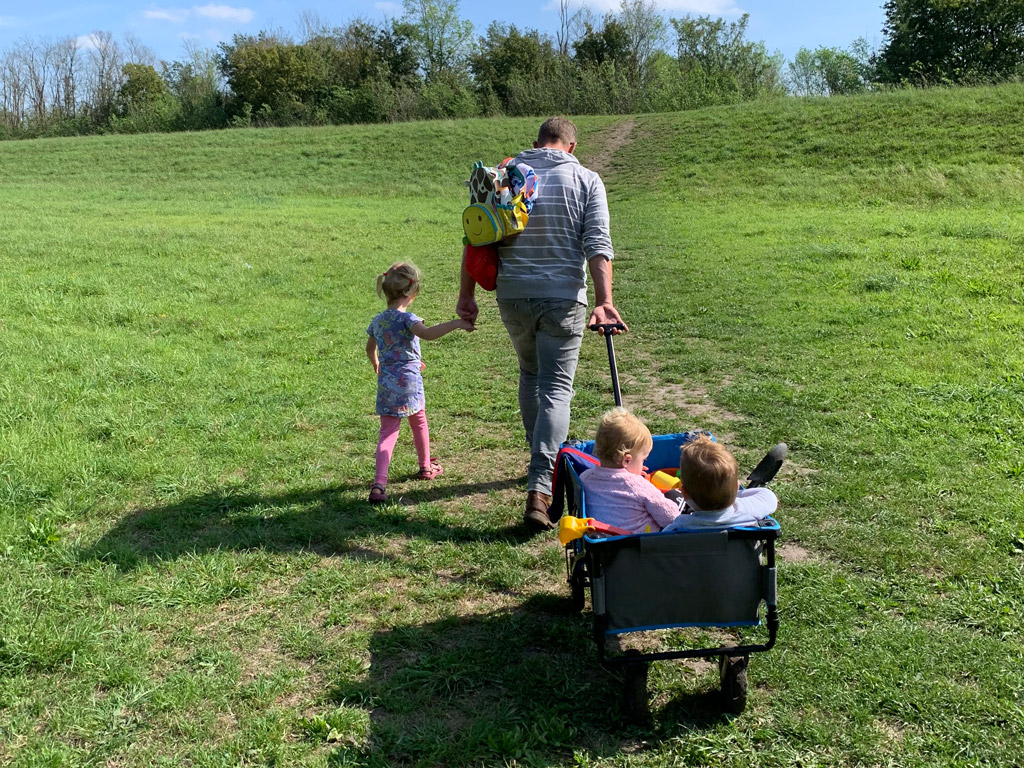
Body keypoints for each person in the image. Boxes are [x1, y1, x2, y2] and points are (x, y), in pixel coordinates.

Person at [456, 116, 626, 531]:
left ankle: (541, 465)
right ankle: (541, 487)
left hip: (513, 296)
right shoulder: (586, 179)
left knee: (530, 375)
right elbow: (598, 244)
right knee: (556, 387)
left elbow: (475, 236)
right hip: (562, 296)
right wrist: (604, 301)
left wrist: (466, 295)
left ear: (537, 143)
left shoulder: (504, 176)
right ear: (571, 147)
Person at [366, 262, 474, 504]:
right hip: (410, 384)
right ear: (411, 293)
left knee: (387, 433)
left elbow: (370, 348)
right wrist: (456, 324)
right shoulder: (408, 320)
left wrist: (376, 363)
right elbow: (427, 333)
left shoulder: (378, 321)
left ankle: (379, 485)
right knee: (419, 422)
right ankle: (426, 467)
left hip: (387, 385)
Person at [578, 408, 681, 534]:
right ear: (627, 460)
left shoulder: (585, 478)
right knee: (675, 496)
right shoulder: (637, 486)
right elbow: (671, 518)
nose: (644, 464)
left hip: (602, 544)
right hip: (639, 545)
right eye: (643, 459)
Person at [661, 436, 778, 531]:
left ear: (684, 493)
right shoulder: (745, 510)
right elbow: (769, 496)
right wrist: (737, 495)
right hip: (739, 559)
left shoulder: (679, 527)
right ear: (737, 487)